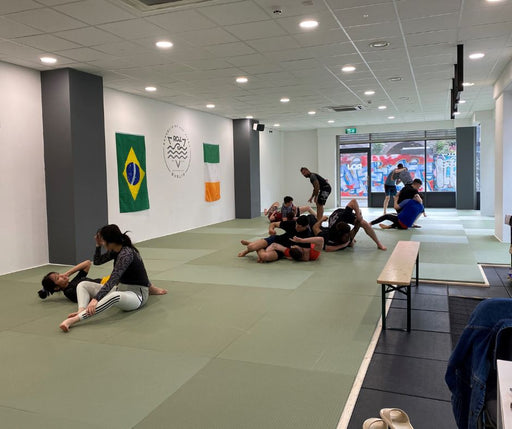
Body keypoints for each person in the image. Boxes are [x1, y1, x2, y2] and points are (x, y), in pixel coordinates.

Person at [59, 224, 158, 332]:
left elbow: (113, 279)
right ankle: (81, 310)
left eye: (102, 241)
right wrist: (97, 245)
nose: (102, 243)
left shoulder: (126, 254)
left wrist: (96, 299)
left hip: (136, 296)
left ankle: (73, 320)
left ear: (110, 241)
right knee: (83, 285)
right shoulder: (116, 250)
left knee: (115, 296)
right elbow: (97, 262)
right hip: (121, 289)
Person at [238, 215, 312, 258]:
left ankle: (258, 247)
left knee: (264, 257)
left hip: (282, 250)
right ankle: (249, 248)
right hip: (276, 239)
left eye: (299, 227)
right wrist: (271, 230)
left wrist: (291, 254)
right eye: (296, 225)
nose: (296, 227)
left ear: (306, 226)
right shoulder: (291, 223)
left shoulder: (307, 235)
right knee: (250, 247)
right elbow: (273, 224)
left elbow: (306, 258)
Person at [256, 237, 322, 263]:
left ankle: (259, 248)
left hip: (277, 243)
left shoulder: (289, 252)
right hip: (313, 241)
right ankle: (259, 248)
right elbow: (321, 239)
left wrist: (302, 240)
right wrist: (302, 240)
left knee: (264, 256)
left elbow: (274, 245)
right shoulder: (314, 254)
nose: (295, 245)